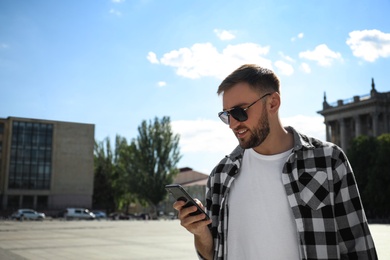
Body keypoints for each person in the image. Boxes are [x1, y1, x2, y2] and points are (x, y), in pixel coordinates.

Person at [173, 64, 378, 260]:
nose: (233, 124)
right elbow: (213, 254)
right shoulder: (221, 174)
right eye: (227, 115)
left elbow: (358, 246)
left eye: (239, 111)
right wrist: (200, 233)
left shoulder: (328, 160)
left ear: (273, 103)